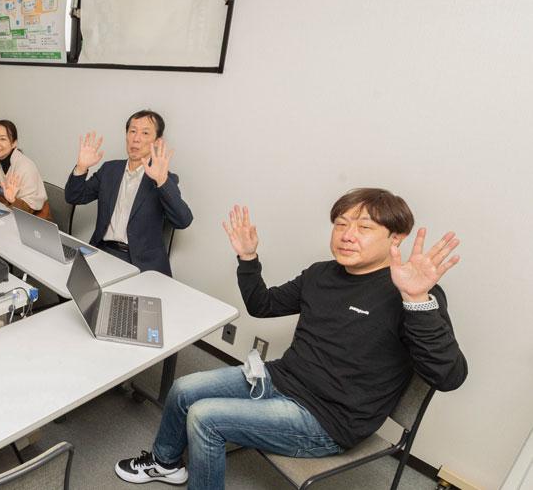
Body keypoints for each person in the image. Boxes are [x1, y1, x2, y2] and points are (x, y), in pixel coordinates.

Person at [114, 188, 467, 489]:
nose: (347, 235)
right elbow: (262, 305)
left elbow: (448, 377)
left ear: (396, 238)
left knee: (205, 418)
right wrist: (248, 258)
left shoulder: (414, 294)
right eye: (341, 224)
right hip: (281, 379)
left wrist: (417, 300)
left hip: (328, 419)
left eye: (364, 227)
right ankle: (165, 463)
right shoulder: (321, 274)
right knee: (183, 389)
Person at [64, 110, 193, 276]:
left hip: (141, 264)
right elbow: (73, 197)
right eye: (132, 131)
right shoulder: (110, 170)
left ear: (157, 142)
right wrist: (81, 167)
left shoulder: (162, 178)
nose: (136, 138)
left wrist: (162, 181)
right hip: (103, 252)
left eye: (145, 133)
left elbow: (183, 221)